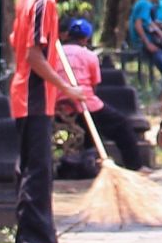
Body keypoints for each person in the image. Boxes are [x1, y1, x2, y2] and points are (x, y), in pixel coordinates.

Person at [9, 0, 90, 243]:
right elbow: (34, 56)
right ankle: (29, 242)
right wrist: (67, 88)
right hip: (33, 95)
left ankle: (46, 239)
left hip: (28, 95)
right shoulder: (44, 2)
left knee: (36, 167)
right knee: (37, 170)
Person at [59, 19, 144, 172]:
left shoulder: (54, 54)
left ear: (67, 35)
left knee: (90, 128)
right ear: (86, 39)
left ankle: (87, 160)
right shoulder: (89, 56)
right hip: (84, 104)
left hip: (57, 106)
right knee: (122, 125)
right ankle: (135, 166)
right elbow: (93, 85)